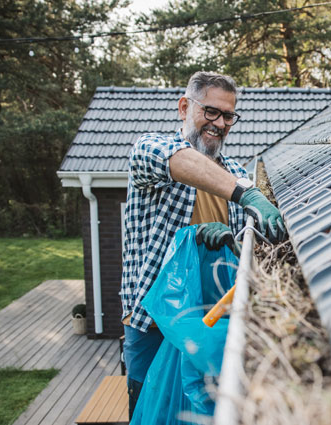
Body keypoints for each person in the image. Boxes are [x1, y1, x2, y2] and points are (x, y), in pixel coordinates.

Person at [120, 71, 287, 418]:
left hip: (208, 327)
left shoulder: (234, 173)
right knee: (150, 413)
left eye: (228, 115)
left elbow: (246, 253)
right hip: (152, 324)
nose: (220, 123)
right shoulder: (150, 152)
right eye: (210, 111)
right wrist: (246, 194)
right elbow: (178, 159)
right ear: (184, 107)